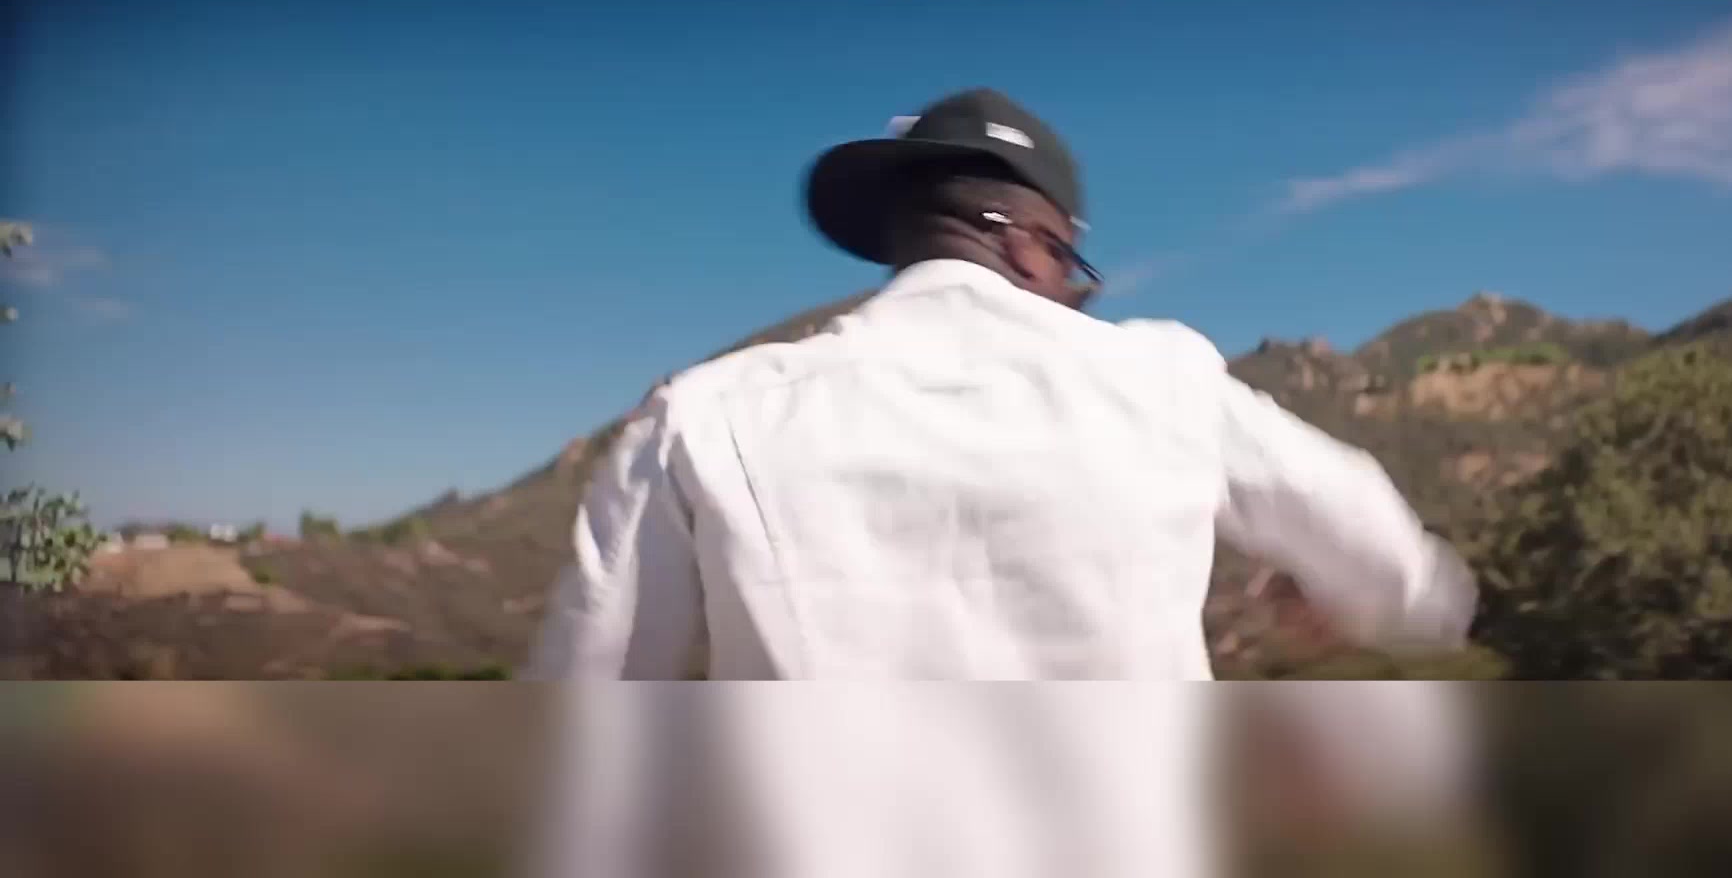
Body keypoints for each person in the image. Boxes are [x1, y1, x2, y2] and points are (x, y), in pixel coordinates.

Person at [525, 86, 1475, 680]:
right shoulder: (1164, 379)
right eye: (1074, 270)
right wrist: (1352, 599)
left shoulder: (706, 414)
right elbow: (1395, 565)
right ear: (1031, 244)